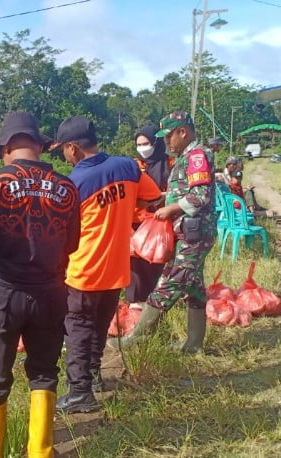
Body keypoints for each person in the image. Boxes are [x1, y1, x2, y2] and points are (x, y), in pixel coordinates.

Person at [0, 111, 80, 458]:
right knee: (44, 371)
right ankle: (41, 454)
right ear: (40, 146)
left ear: (8, 148)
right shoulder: (67, 187)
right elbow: (73, 242)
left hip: (4, 291)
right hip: (50, 291)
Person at [50, 116, 161, 413]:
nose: (63, 155)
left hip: (84, 271)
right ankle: (94, 378)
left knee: (78, 330)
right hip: (117, 268)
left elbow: (60, 233)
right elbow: (151, 199)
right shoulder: (128, 167)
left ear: (73, 148)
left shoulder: (73, 184)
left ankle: (79, 393)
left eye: (63, 149)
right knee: (99, 326)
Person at [126, 111, 217, 354]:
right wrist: (160, 200)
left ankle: (138, 337)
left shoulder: (197, 156)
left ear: (183, 132)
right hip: (189, 232)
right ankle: (194, 345)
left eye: (168, 136)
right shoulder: (186, 156)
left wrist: (170, 209)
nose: (166, 142)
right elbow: (185, 190)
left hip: (195, 233)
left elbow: (200, 196)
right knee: (194, 288)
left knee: (170, 281)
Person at [127, 125, 173, 308]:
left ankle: (157, 301)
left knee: (158, 258)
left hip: (161, 220)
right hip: (137, 221)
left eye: (146, 143)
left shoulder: (170, 164)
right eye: (139, 144)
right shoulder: (135, 165)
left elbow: (176, 191)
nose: (142, 148)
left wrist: (159, 197)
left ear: (156, 142)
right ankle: (136, 302)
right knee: (136, 263)